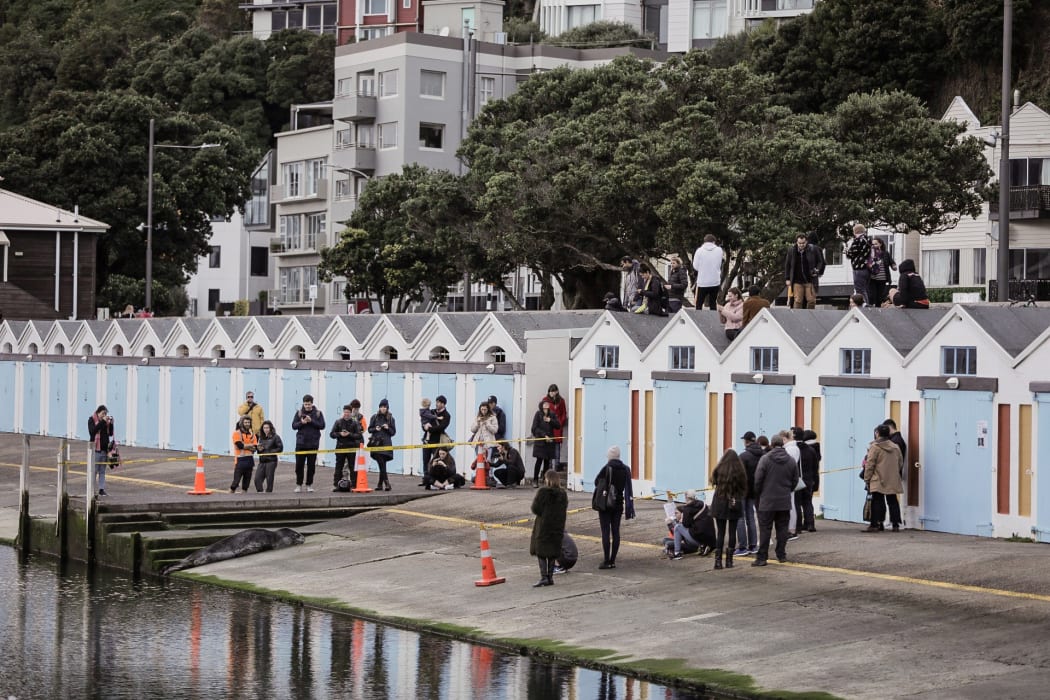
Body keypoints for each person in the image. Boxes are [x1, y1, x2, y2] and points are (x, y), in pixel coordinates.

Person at [752, 434, 799, 567]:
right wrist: (787, 490)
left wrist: (760, 493)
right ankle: (781, 555)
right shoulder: (790, 461)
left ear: (772, 444)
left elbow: (758, 479)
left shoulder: (765, 459)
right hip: (784, 500)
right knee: (782, 529)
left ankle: (762, 558)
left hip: (767, 500)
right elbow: (795, 480)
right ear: (782, 444)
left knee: (765, 529)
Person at [595, 446, 635, 570]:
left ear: (609, 456)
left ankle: (606, 560)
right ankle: (613, 560)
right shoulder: (626, 469)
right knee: (616, 531)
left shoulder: (607, 468)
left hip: (606, 504)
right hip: (619, 504)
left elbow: (597, 482)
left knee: (605, 532)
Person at [709, 449, 748, 570]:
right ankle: (729, 561)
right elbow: (743, 488)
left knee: (720, 533)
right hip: (734, 503)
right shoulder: (740, 471)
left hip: (720, 501)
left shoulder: (719, 469)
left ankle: (718, 561)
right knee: (732, 532)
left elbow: (713, 481)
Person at [530, 469, 569, 587]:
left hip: (543, 526)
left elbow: (535, 508)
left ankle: (544, 577)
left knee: (540, 551)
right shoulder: (563, 494)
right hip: (557, 526)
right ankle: (550, 577)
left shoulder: (543, 492)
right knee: (552, 551)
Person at [863, 424, 904, 532]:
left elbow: (870, 464)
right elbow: (900, 462)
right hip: (892, 478)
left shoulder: (875, 447)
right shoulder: (895, 447)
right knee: (892, 501)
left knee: (877, 501)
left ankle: (876, 524)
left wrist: (867, 478)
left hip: (878, 478)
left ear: (877, 433)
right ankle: (895, 525)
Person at [734, 431, 762, 557]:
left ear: (746, 441)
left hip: (742, 491)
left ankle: (742, 546)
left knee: (740, 517)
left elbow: (738, 474)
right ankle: (753, 545)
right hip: (754, 491)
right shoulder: (762, 455)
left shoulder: (743, 456)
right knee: (751, 517)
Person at [291, 394, 325, 493]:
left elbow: (322, 425)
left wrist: (312, 421)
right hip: (301, 444)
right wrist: (302, 422)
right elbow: (293, 426)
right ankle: (298, 485)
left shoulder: (318, 413)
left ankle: (309, 484)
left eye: (309, 404)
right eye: (305, 404)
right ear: (303, 403)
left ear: (312, 403)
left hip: (313, 444)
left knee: (311, 466)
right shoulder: (299, 413)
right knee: (299, 466)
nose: (307, 406)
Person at [667, 490, 716, 559]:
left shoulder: (688, 509)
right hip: (710, 539)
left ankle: (677, 552)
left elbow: (686, 525)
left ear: (686, 497)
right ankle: (704, 546)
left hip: (699, 538)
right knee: (668, 541)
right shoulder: (703, 504)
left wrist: (676, 522)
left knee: (678, 527)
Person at [784, 234, 826, 309]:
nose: (801, 245)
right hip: (797, 280)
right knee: (798, 301)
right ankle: (797, 317)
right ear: (796, 242)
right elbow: (788, 265)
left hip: (810, 280)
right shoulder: (792, 250)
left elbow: (821, 261)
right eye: (799, 243)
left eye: (803, 243)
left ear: (806, 242)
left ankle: (810, 316)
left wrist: (817, 270)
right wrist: (787, 278)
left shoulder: (813, 249)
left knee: (811, 301)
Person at [330, 404, 364, 491]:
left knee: (353, 467)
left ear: (351, 413)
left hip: (351, 448)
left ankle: (354, 485)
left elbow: (359, 435)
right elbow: (332, 434)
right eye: (345, 412)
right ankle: (336, 484)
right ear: (343, 412)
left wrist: (349, 434)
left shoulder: (355, 423)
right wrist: (340, 434)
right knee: (339, 467)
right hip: (340, 447)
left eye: (348, 412)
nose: (346, 414)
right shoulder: (338, 422)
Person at [793, 427, 819, 533]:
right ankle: (810, 524)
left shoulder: (794, 449)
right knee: (808, 502)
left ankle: (798, 526)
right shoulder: (811, 449)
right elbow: (815, 465)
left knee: (797, 503)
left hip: (798, 479)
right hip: (809, 479)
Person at [421, 395, 451, 483]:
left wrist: (429, 429)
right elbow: (424, 421)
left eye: (439, 402)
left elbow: (441, 428)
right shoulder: (431, 411)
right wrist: (424, 427)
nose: (437, 404)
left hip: (437, 441)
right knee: (425, 460)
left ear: (443, 404)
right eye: (436, 402)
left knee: (436, 460)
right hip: (427, 440)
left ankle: (435, 479)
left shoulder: (446, 415)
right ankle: (426, 479)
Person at [530, 400, 561, 486]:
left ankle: (545, 480)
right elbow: (534, 428)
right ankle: (535, 479)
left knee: (547, 462)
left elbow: (558, 425)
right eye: (544, 409)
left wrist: (550, 420)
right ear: (541, 408)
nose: (546, 410)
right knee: (539, 460)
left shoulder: (552, 414)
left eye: (547, 408)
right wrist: (544, 435)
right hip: (540, 441)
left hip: (549, 442)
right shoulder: (538, 414)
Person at [538, 384, 569, 471]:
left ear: (557, 391)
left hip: (558, 427)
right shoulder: (545, 400)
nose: (551, 393)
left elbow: (564, 413)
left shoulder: (561, 400)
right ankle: (549, 467)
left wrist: (561, 422)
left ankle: (557, 465)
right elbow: (542, 412)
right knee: (549, 447)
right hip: (549, 427)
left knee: (557, 446)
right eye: (550, 391)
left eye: (553, 391)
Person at [368, 398, 396, 491]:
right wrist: (376, 428)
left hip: (386, 444)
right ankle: (387, 483)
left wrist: (388, 428)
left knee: (382, 464)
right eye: (381, 407)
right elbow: (369, 429)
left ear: (387, 408)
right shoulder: (374, 417)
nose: (383, 409)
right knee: (381, 463)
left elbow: (393, 432)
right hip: (376, 444)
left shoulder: (391, 418)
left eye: (384, 407)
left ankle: (380, 484)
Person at [87, 405, 114, 496]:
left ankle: (101, 489)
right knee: (94, 470)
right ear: (98, 412)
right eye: (103, 413)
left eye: (105, 414)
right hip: (95, 450)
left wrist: (111, 424)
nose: (104, 415)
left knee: (102, 471)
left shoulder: (105, 422)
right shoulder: (91, 420)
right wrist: (102, 421)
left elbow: (110, 434)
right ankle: (91, 489)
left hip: (104, 450)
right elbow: (93, 431)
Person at [692, 234, 724, 310]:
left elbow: (695, 266)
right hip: (715, 280)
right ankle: (713, 319)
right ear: (714, 241)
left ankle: (698, 319)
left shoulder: (699, 251)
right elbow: (719, 264)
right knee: (713, 303)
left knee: (699, 303)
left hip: (702, 281)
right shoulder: (719, 250)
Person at [846, 224, 873, 305]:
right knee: (864, 289)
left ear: (855, 231)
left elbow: (850, 254)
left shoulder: (858, 240)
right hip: (867, 268)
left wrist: (847, 251)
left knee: (859, 290)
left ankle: (863, 307)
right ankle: (866, 306)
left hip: (859, 268)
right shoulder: (868, 239)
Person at [230, 416, 258, 493]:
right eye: (245, 422)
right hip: (240, 460)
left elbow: (255, 447)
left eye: (248, 422)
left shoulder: (252, 434)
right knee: (236, 482)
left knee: (246, 482)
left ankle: (244, 496)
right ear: (242, 423)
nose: (247, 424)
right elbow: (239, 445)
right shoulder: (237, 433)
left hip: (249, 460)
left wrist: (246, 446)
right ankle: (230, 494)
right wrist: (250, 446)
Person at [254, 420, 283, 493]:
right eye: (264, 428)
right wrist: (259, 449)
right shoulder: (261, 437)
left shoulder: (275, 437)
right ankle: (260, 492)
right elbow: (259, 450)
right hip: (262, 461)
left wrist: (269, 452)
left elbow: (280, 448)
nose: (266, 429)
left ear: (270, 428)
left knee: (269, 479)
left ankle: (269, 493)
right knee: (257, 479)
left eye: (267, 428)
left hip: (271, 461)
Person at [868, 238, 897, 307]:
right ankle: (871, 308)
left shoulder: (885, 253)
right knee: (872, 295)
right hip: (872, 278)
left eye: (876, 244)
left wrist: (894, 266)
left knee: (880, 297)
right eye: (873, 244)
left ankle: (878, 309)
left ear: (880, 244)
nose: (874, 245)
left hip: (882, 278)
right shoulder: (871, 254)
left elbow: (892, 263)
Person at [487, 395, 507, 461]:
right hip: (487, 440)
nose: (489, 405)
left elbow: (502, 429)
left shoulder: (500, 413)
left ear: (495, 403)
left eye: (491, 403)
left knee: (491, 461)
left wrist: (491, 428)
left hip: (496, 440)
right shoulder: (487, 413)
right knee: (486, 461)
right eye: (489, 403)